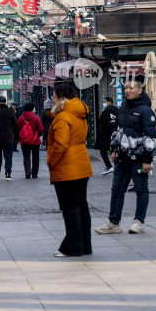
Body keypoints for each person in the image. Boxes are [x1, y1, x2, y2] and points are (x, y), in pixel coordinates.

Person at [95, 78, 156, 235]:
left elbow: (150, 137)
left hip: (139, 159)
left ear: (140, 90)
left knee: (141, 190)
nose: (127, 90)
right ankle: (113, 223)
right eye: (126, 88)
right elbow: (117, 132)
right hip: (122, 159)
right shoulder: (122, 109)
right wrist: (113, 150)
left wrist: (147, 160)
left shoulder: (146, 110)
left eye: (131, 88)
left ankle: (139, 222)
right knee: (116, 190)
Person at [46, 83, 93, 257]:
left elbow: (61, 143)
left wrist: (51, 161)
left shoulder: (63, 117)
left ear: (60, 97)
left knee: (70, 209)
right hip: (82, 164)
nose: (52, 98)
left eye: (53, 95)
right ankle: (84, 246)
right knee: (81, 207)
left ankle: (72, 247)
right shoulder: (80, 115)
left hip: (67, 167)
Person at [17, 102, 44, 179]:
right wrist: (37, 135)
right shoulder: (36, 118)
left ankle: (27, 173)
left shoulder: (20, 118)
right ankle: (34, 174)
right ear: (32, 109)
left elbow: (18, 129)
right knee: (36, 157)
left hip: (24, 141)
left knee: (26, 157)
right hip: (35, 141)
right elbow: (41, 129)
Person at [96, 96, 119, 175]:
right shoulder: (118, 111)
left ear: (109, 102)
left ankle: (109, 166)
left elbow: (104, 124)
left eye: (105, 102)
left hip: (107, 135)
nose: (104, 103)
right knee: (116, 151)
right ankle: (118, 168)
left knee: (103, 151)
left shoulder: (106, 112)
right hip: (117, 134)